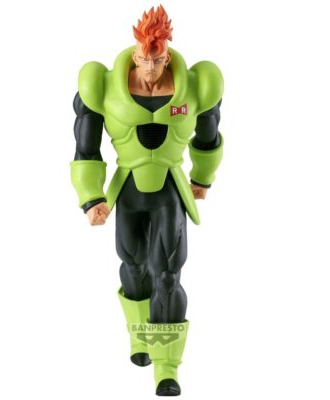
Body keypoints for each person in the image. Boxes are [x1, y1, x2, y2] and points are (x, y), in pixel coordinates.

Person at [70, 5, 224, 396]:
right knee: (134, 265)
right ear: (135, 55)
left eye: (158, 60)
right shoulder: (102, 85)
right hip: (128, 190)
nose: (151, 69)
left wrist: (202, 177)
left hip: (169, 189)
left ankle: (166, 366)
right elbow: (85, 146)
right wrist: (91, 196)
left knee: (168, 275)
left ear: (167, 56)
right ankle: (139, 336)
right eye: (144, 60)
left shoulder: (197, 85)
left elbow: (208, 135)